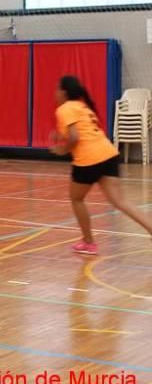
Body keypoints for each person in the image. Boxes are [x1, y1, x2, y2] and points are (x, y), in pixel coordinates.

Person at [51, 76, 152, 254]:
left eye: (57, 88)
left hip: (89, 159)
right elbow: (81, 132)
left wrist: (62, 150)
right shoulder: (82, 107)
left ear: (64, 92)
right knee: (120, 201)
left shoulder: (65, 109)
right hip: (108, 153)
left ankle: (88, 242)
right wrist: (61, 138)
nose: (55, 92)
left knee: (76, 198)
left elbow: (75, 137)